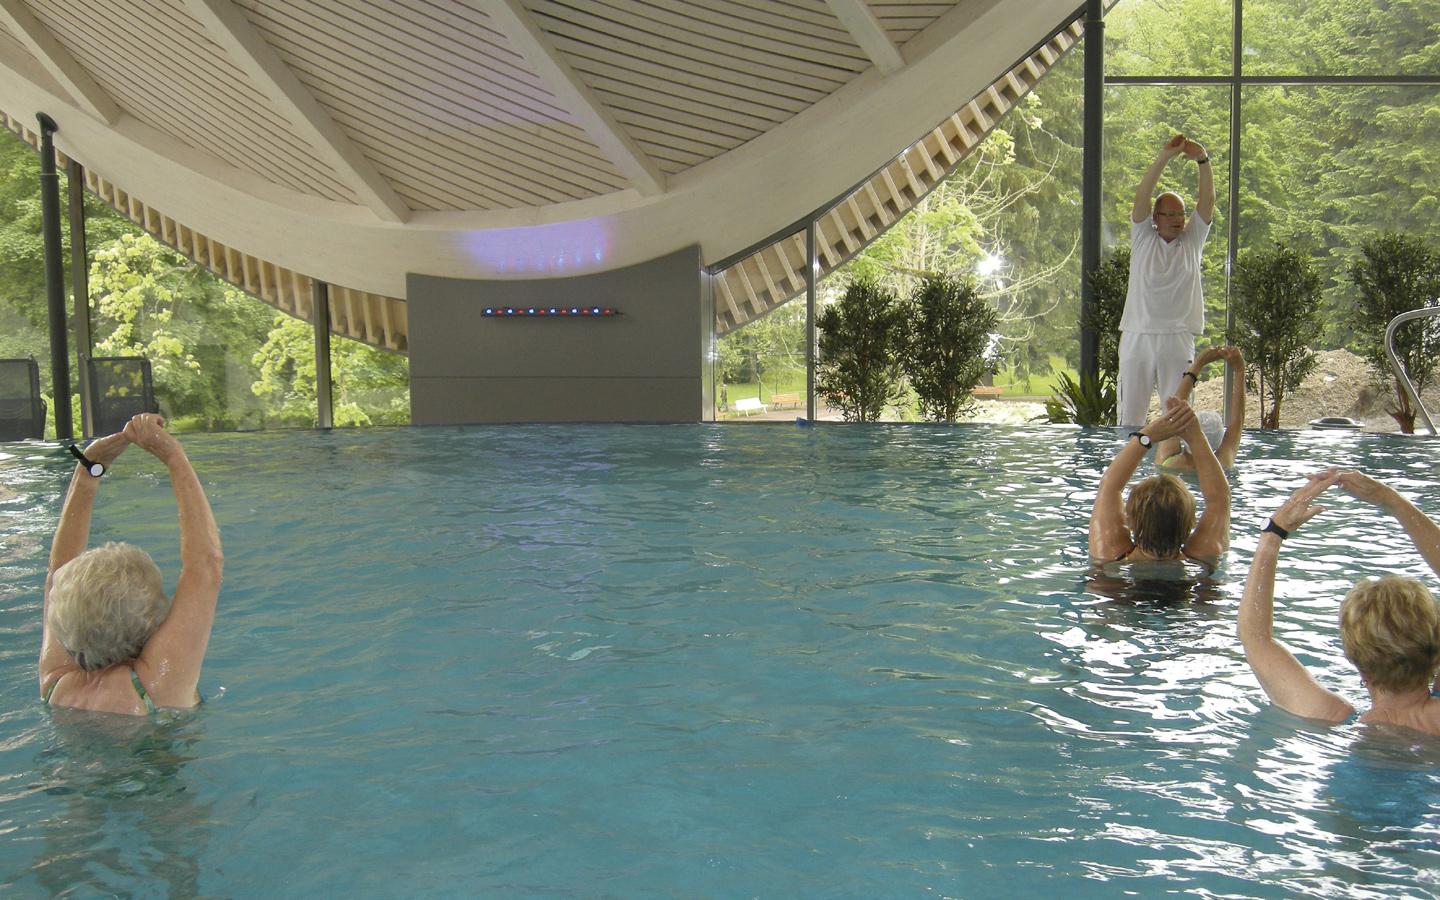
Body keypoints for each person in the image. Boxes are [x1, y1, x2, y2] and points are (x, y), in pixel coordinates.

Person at [40, 413, 222, 715]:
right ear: (151, 622)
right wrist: (173, 456)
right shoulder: (159, 687)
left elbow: (57, 572)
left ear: (61, 617)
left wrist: (88, 469)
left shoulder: (55, 683)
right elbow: (205, 565)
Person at [1239, 469, 1440, 734]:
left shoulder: (1333, 718)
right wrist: (1390, 499)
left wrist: (1272, 534)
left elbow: (1255, 639)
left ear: (1353, 657)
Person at [1118, 134, 1215, 428]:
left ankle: (1172, 458)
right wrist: (1164, 157)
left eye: (1180, 214)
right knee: (1130, 417)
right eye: (1170, 214)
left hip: (1178, 337)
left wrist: (1203, 160)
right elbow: (1142, 196)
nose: (1177, 219)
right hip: (1138, 335)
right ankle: (1127, 458)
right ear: (1155, 218)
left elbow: (1207, 201)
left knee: (1177, 416)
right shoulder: (1143, 237)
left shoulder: (1192, 241)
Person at [1089, 397, 1230, 564]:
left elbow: (1109, 486)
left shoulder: (1109, 554)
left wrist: (1146, 436)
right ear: (1191, 523)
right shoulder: (1203, 559)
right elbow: (1219, 499)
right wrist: (1196, 437)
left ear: (1130, 520)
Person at [1157, 345, 1245, 471]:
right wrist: (1240, 370)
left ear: (1184, 432)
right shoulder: (1222, 463)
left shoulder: (1167, 461)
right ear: (1220, 440)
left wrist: (1199, 363)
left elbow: (1174, 413)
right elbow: (1238, 420)